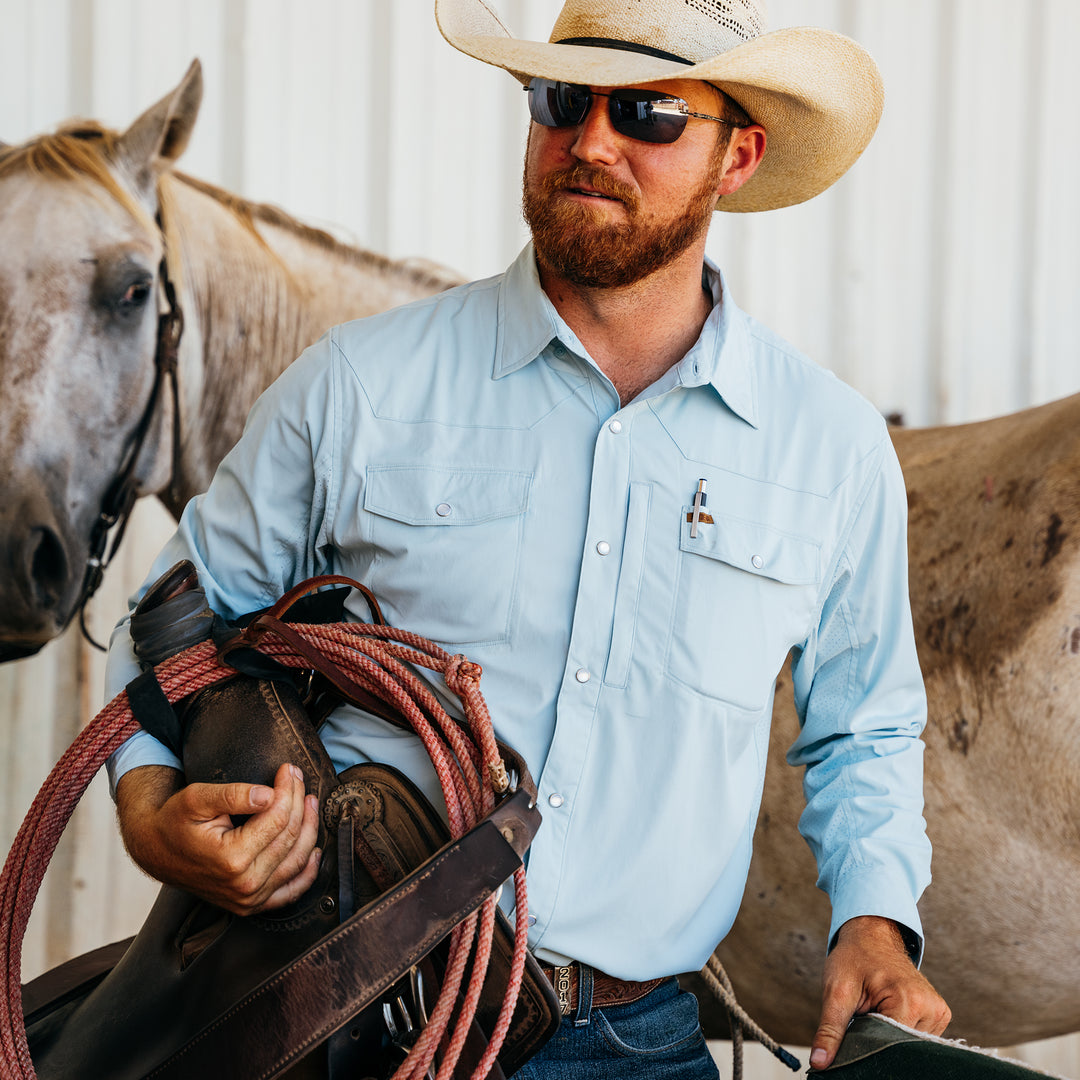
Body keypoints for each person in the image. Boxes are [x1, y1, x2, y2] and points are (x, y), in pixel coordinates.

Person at [105, 0, 951, 1075]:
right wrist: (148, 807)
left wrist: (874, 919)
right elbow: (175, 628)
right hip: (351, 1007)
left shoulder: (829, 448)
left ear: (737, 157)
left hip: (635, 1039)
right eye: (563, 101)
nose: (591, 142)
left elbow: (864, 729)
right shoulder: (361, 387)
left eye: (648, 113)